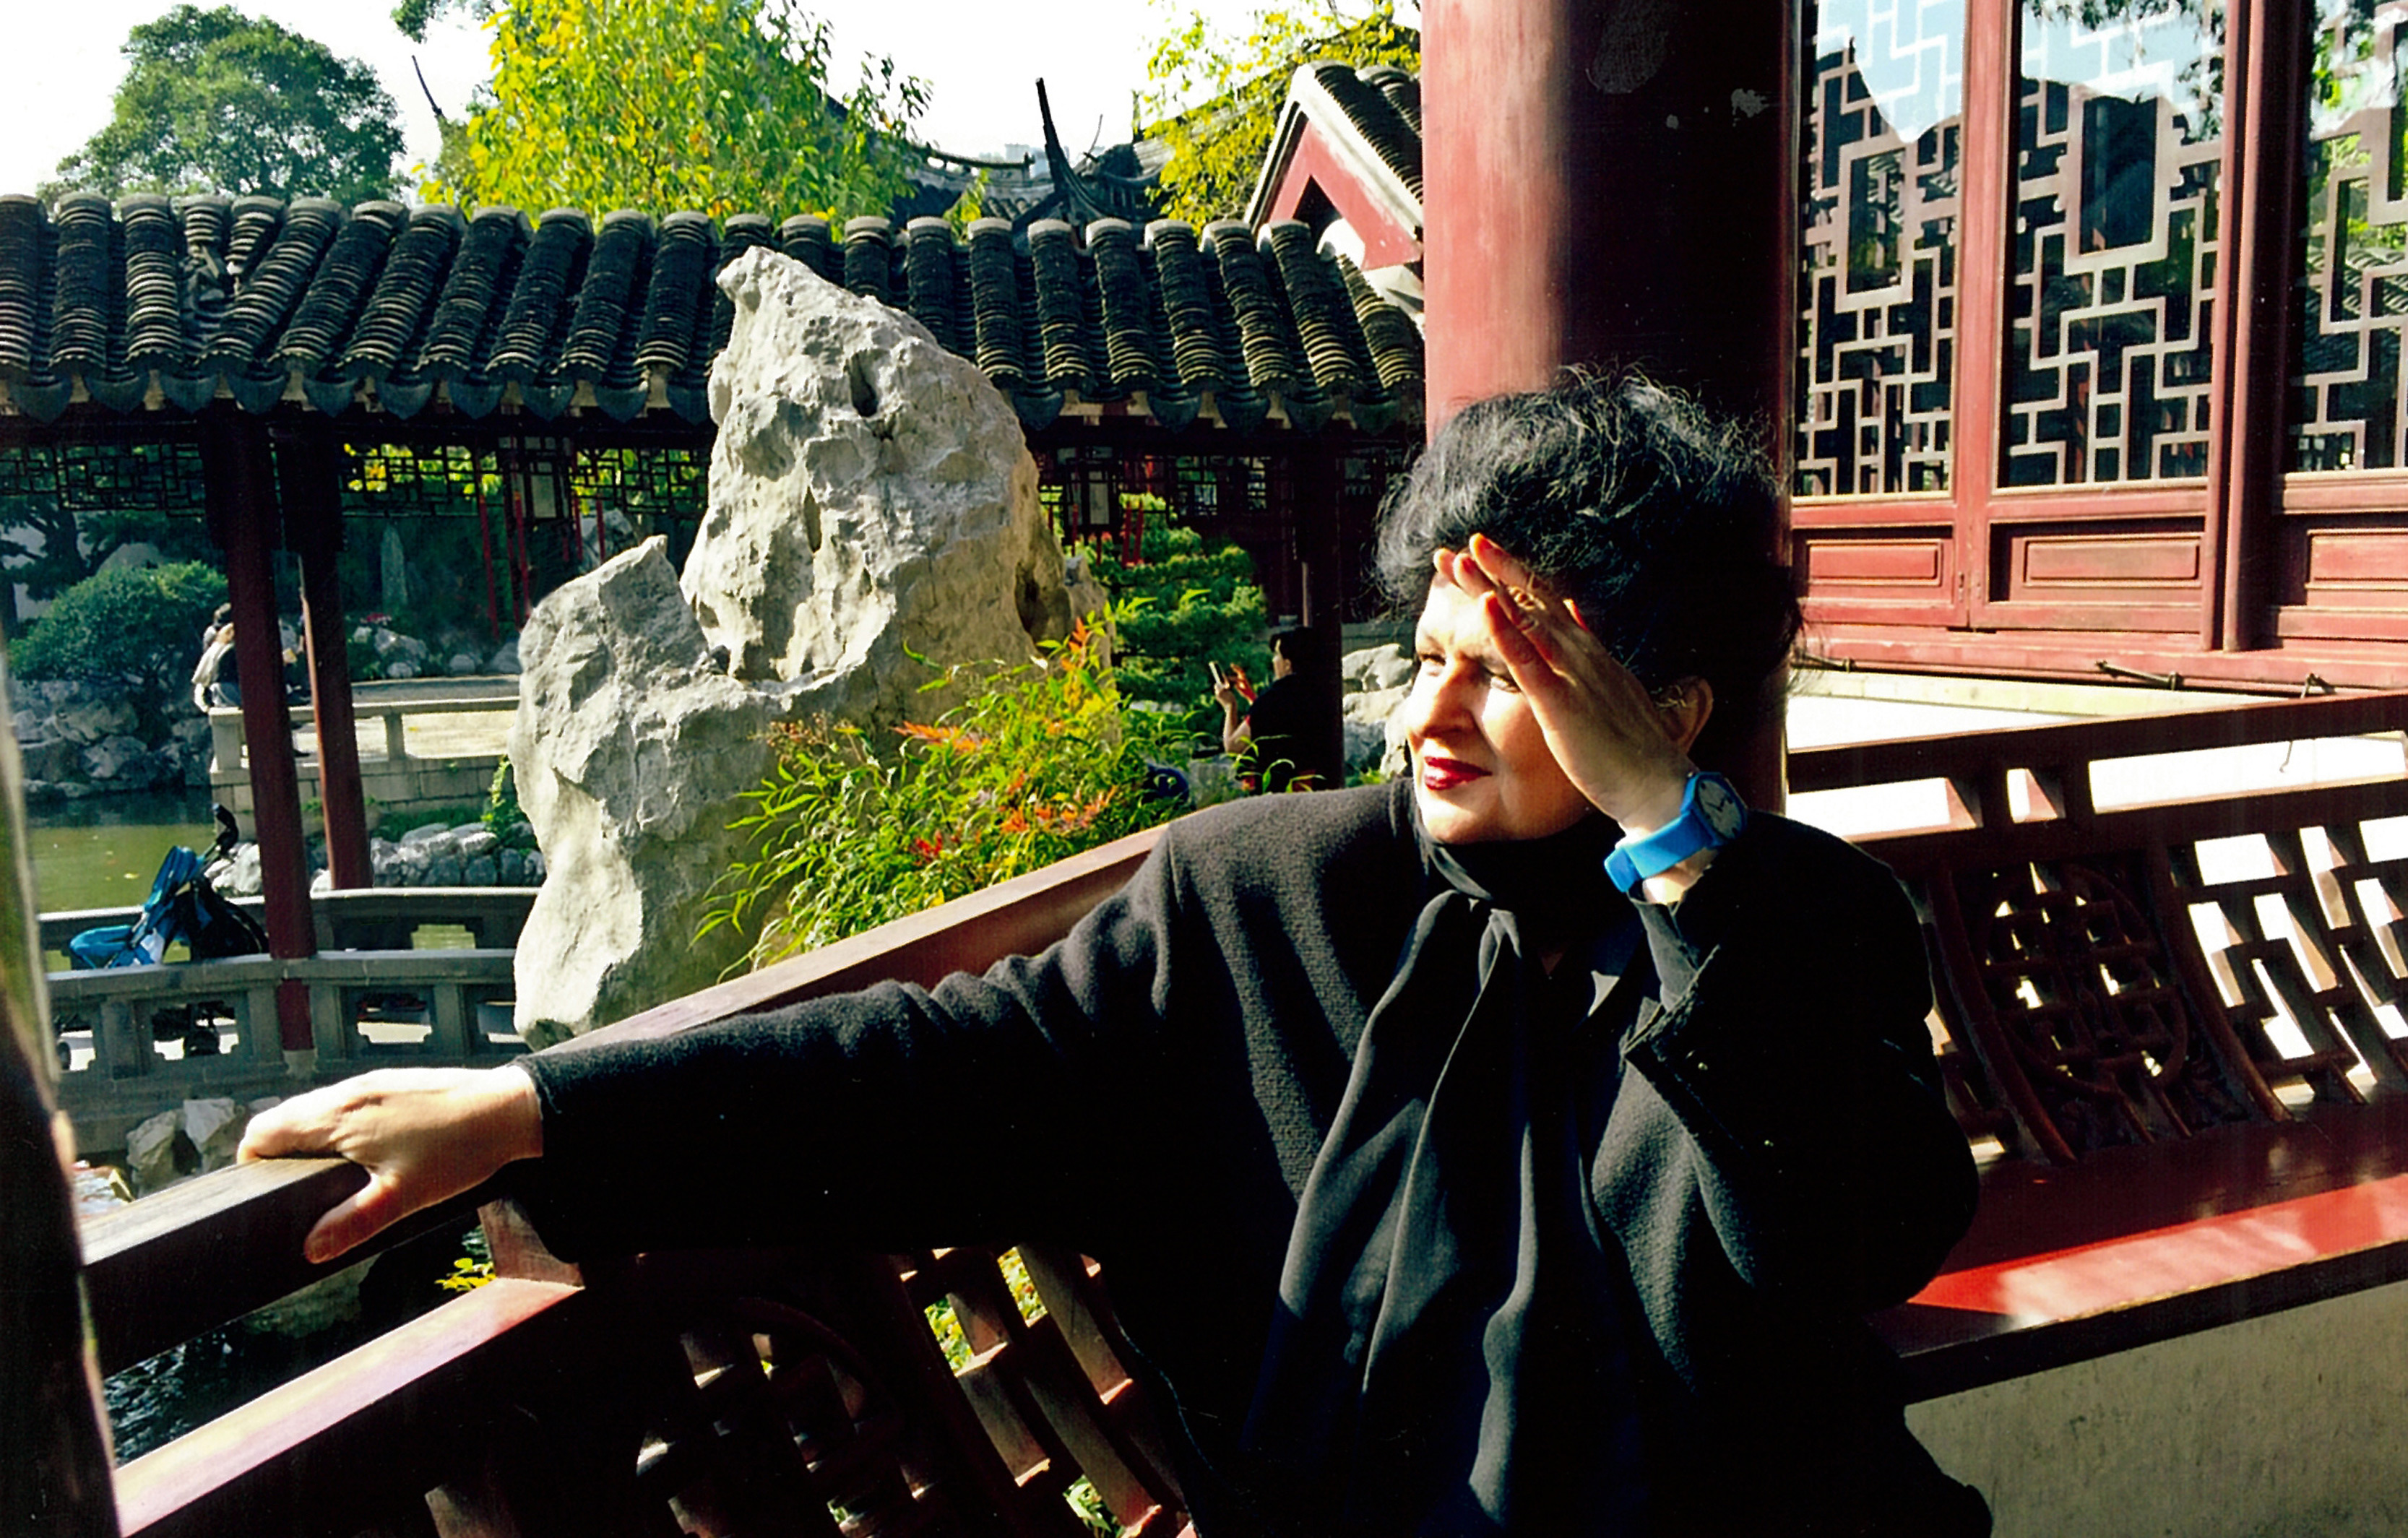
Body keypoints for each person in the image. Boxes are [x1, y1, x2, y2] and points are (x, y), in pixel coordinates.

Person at [241, 372, 1988, 1537]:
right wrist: (536, 1111)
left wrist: (1671, 846)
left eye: (1514, 670)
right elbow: (942, 1067)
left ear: (1661, 706)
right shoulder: (1266, 895)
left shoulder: (1784, 925)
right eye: (1427, 652)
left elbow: (1870, 1226)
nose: (1429, 712)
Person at [1213, 627, 1342, 791]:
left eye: (1277, 655)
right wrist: (1252, 698)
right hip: (1315, 788)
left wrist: (1230, 706)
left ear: (1288, 665)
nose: (1274, 661)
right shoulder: (1324, 695)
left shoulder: (1271, 700)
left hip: (1276, 792)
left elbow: (1233, 746)